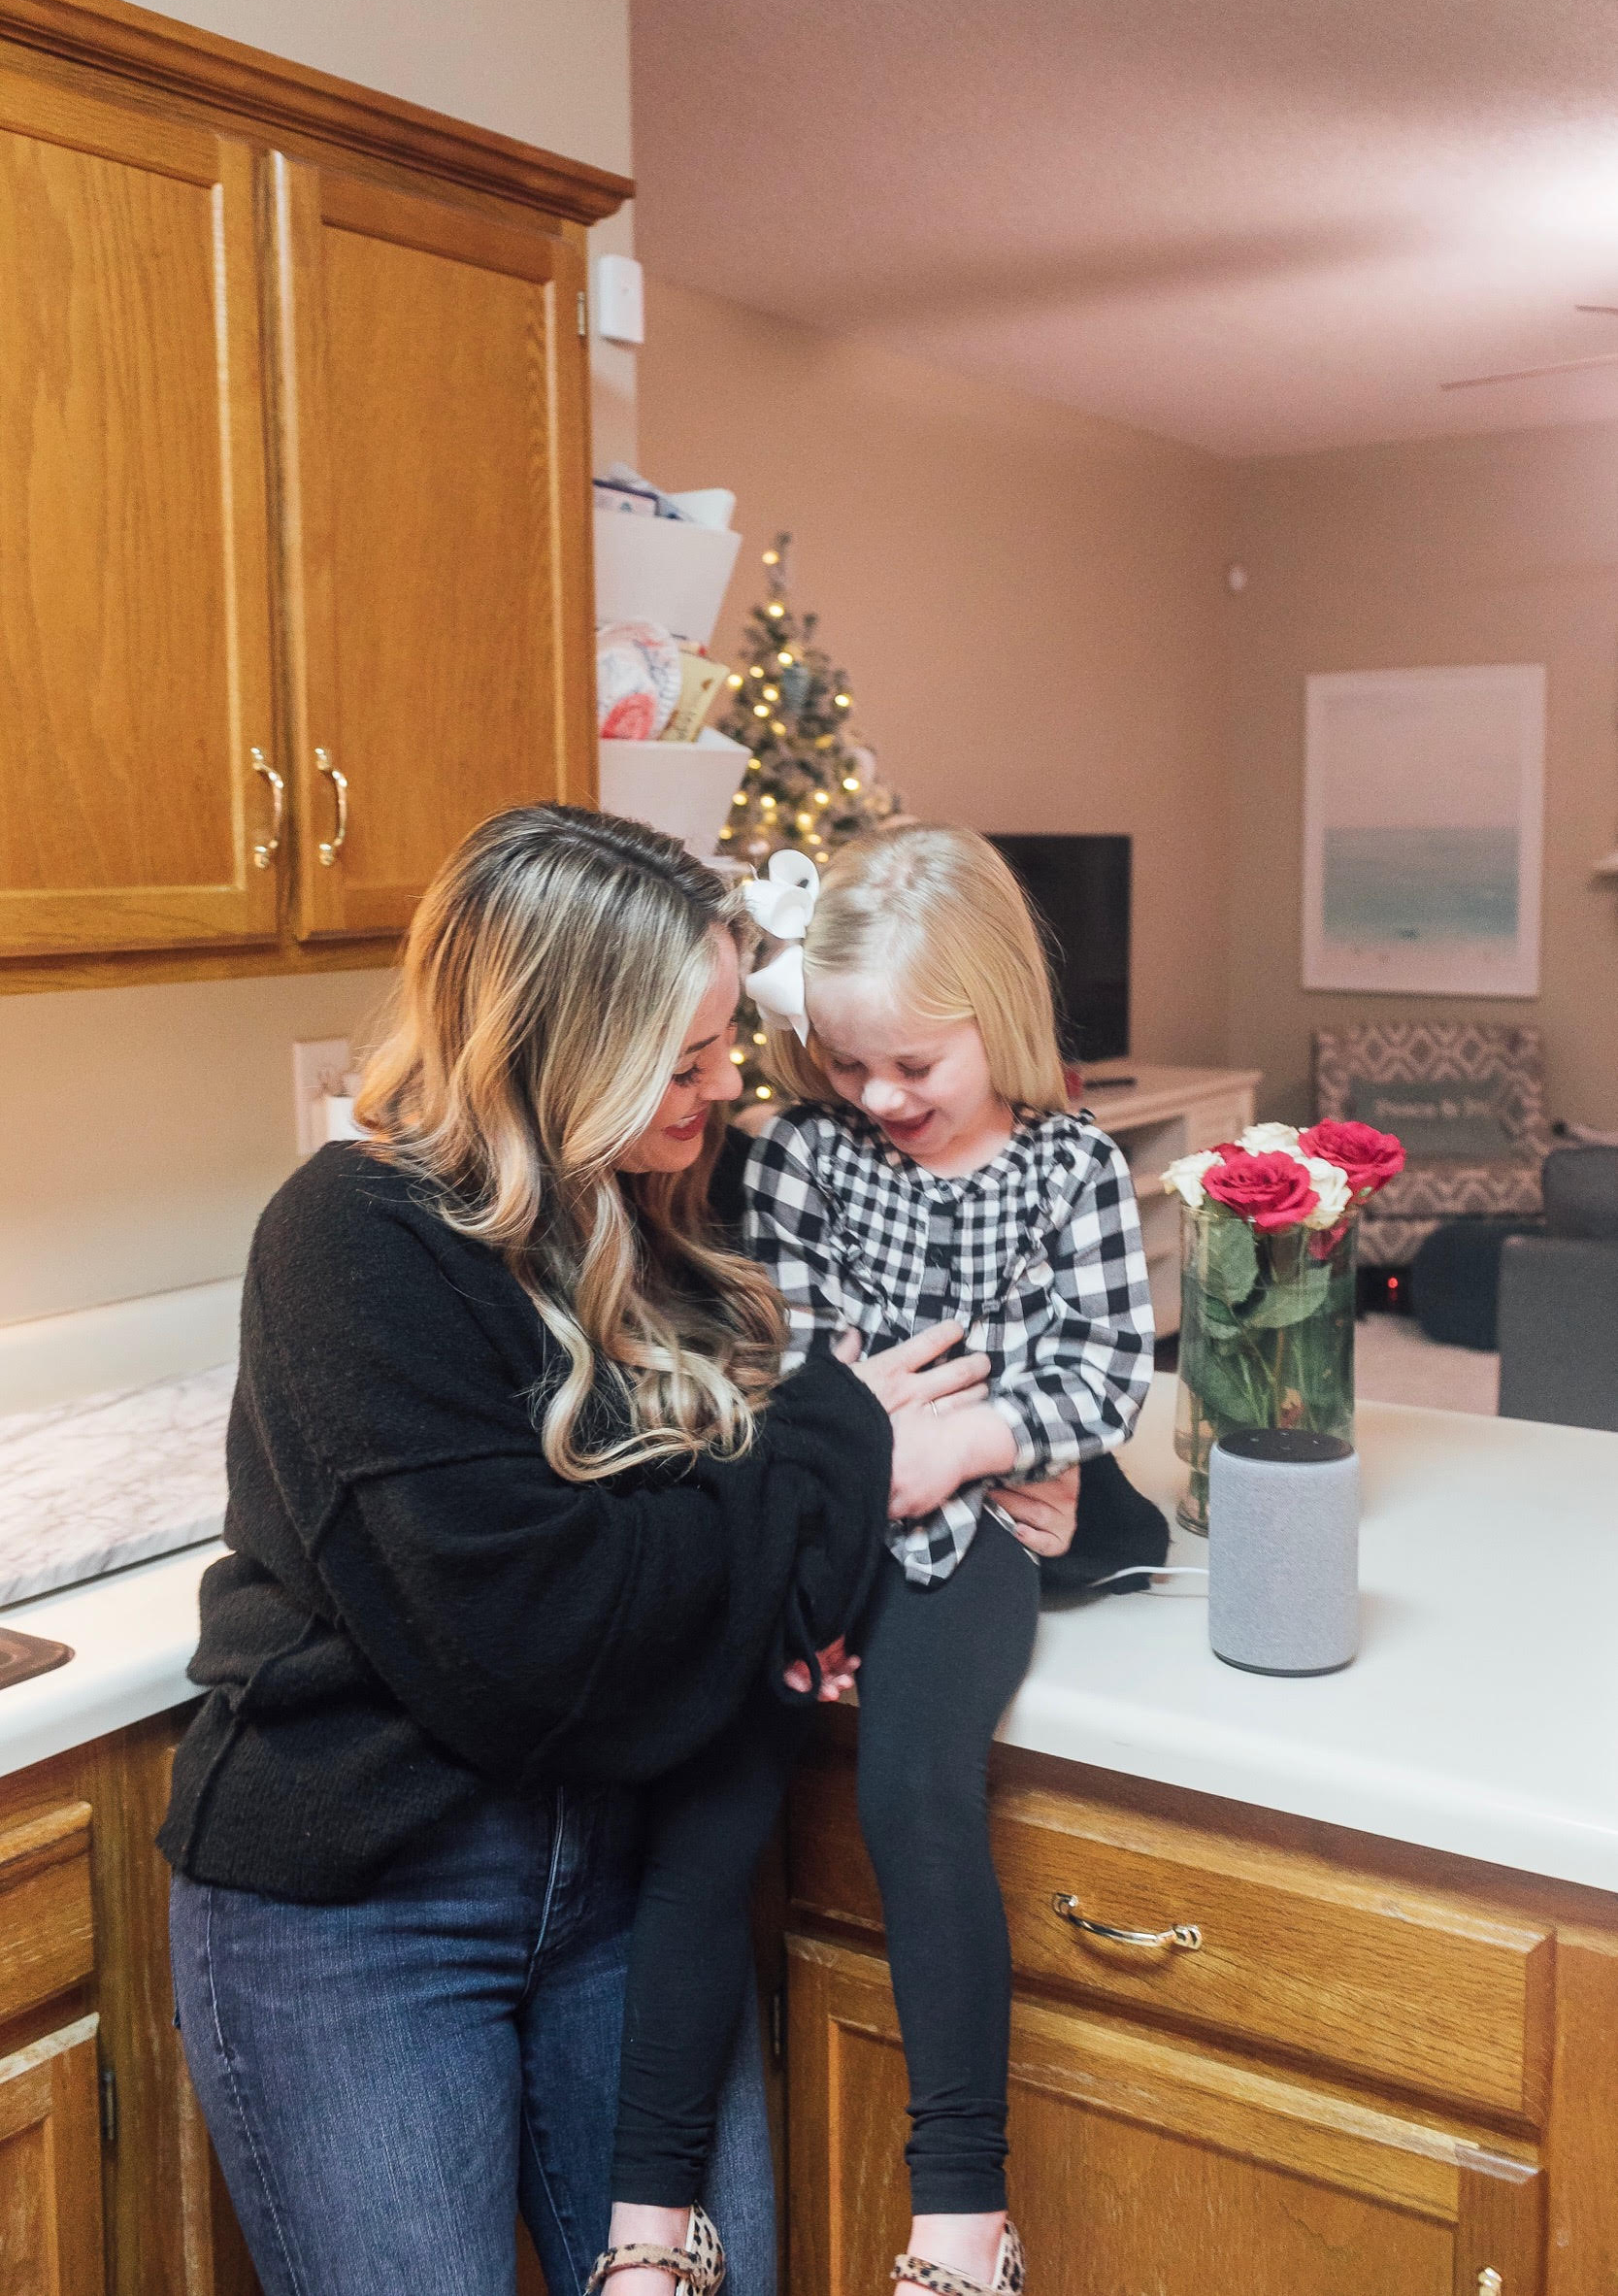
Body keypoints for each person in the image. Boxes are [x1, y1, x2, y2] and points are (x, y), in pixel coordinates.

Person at [160, 804, 1079, 2296]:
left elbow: (839, 1497)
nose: (729, 1089)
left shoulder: (675, 1206)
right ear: (558, 1042)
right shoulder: (353, 1244)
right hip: (366, 1906)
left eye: (729, 1043)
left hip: (631, 1891)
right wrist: (846, 1455)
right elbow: (546, 1640)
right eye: (688, 1055)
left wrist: (1030, 1465)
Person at [596, 827, 1157, 2296]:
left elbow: (1101, 1380)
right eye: (851, 1069)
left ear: (1000, 1017)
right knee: (707, 1802)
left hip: (967, 1547)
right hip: (804, 1532)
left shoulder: (1073, 1172)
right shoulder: (798, 1157)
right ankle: (649, 2228)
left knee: (918, 1792)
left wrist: (960, 1448)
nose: (882, 1098)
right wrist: (856, 1490)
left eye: (915, 1065)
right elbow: (786, 1356)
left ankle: (962, 2223)